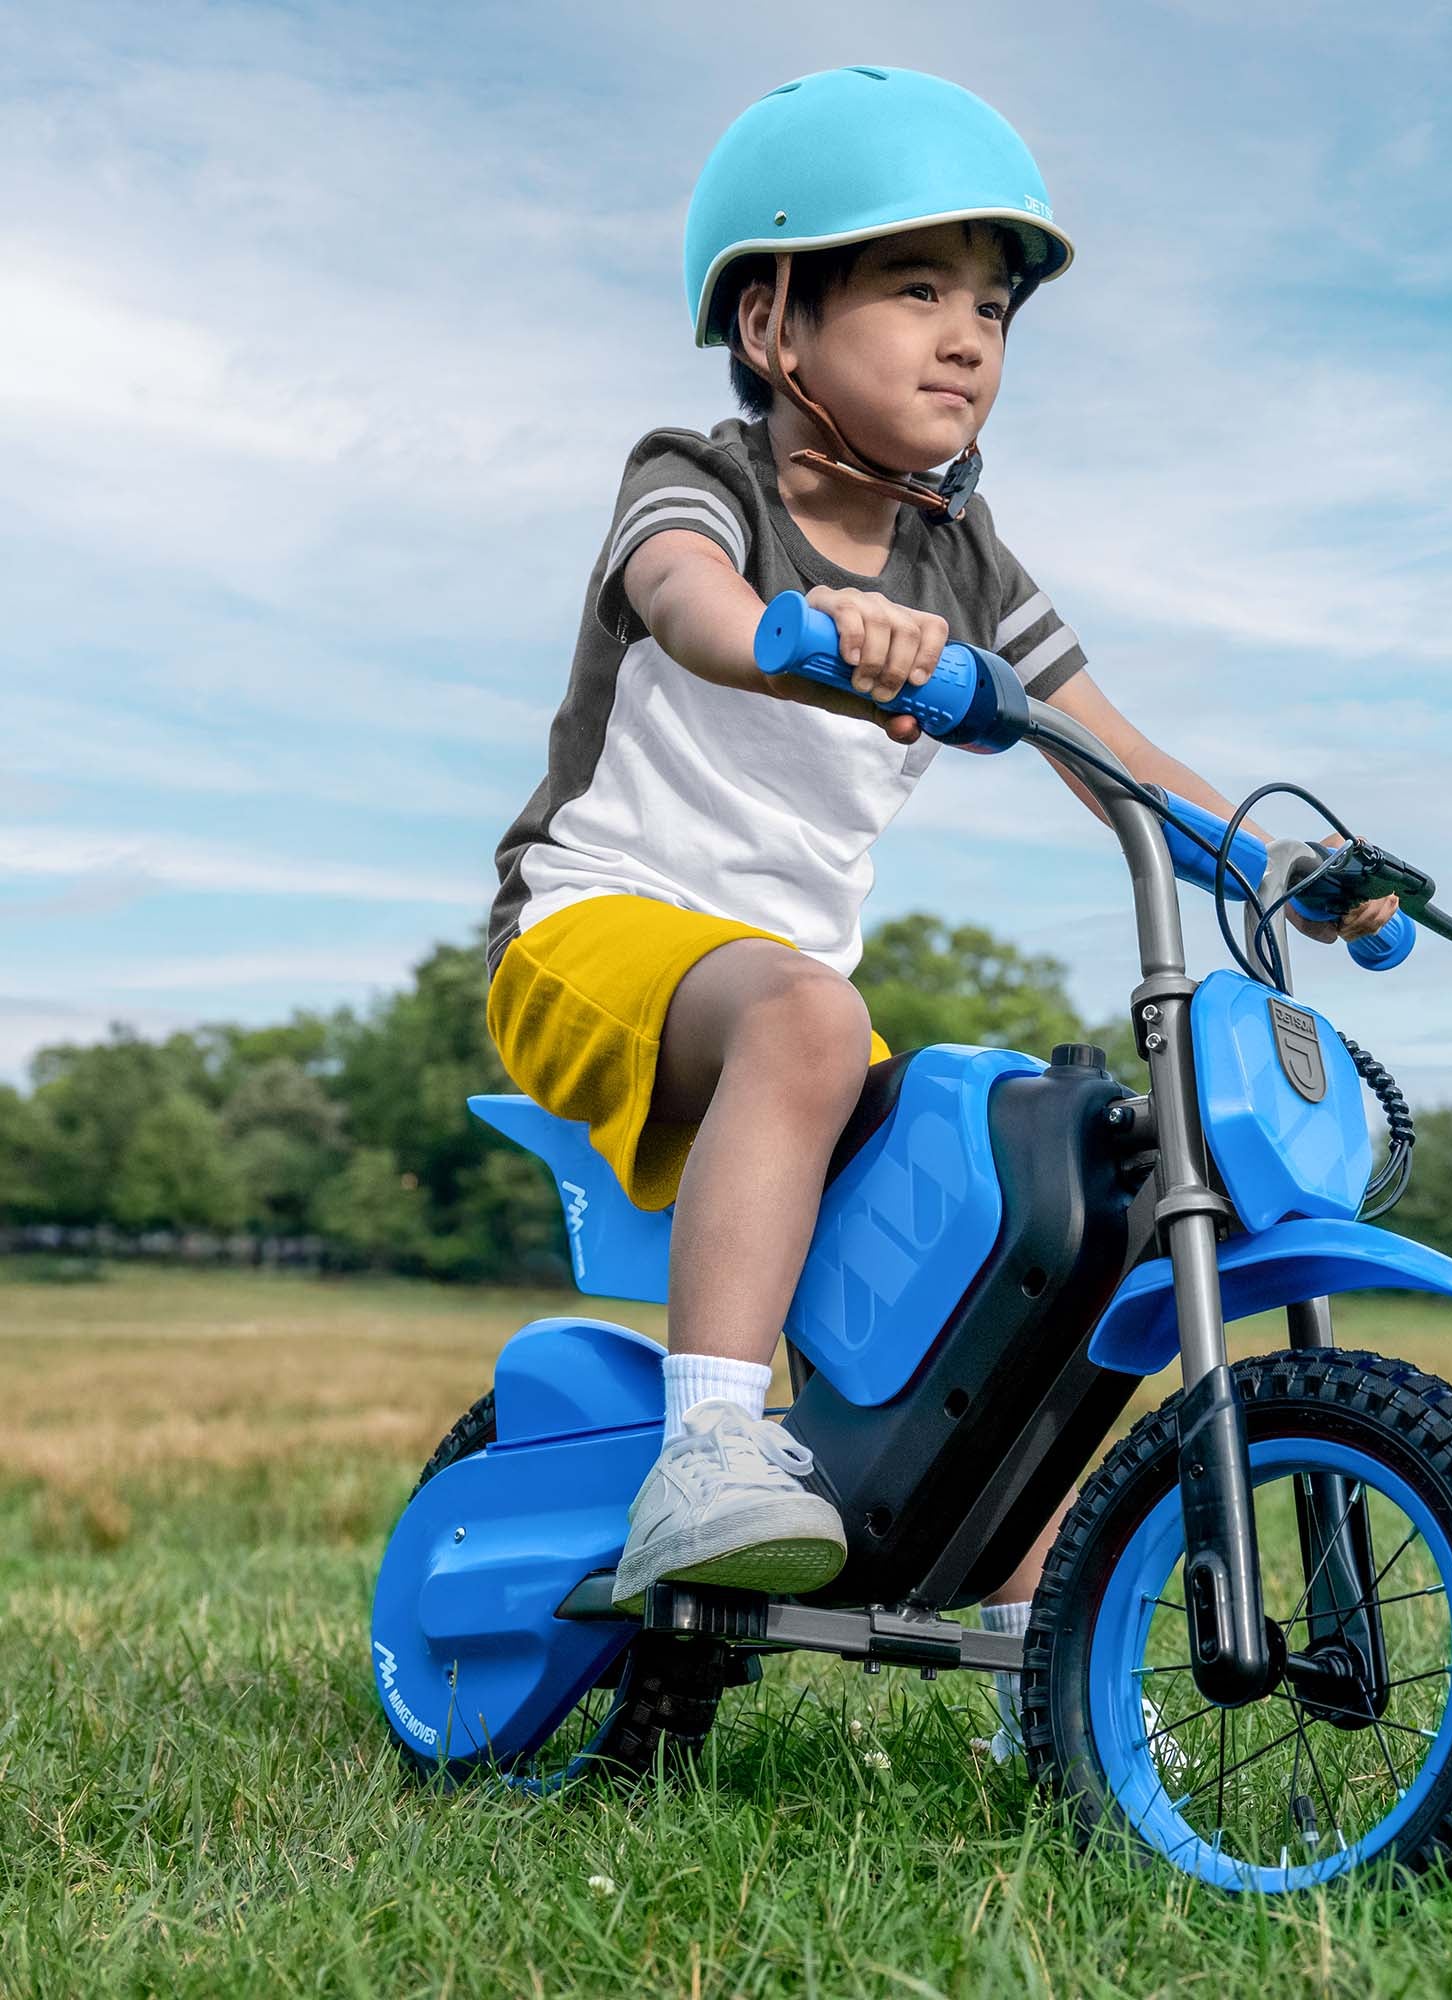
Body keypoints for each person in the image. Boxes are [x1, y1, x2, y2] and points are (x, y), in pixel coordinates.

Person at [484, 66, 1397, 1752]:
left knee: (1022, 1235)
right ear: (772, 319)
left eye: (991, 305)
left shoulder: (964, 558)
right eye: (915, 288)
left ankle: (1043, 1651)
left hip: (777, 1000)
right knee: (813, 1018)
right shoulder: (702, 472)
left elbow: (1115, 753)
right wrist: (798, 628)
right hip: (595, 936)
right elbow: (684, 601)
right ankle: (707, 1445)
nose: (969, 335)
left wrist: (1277, 870)